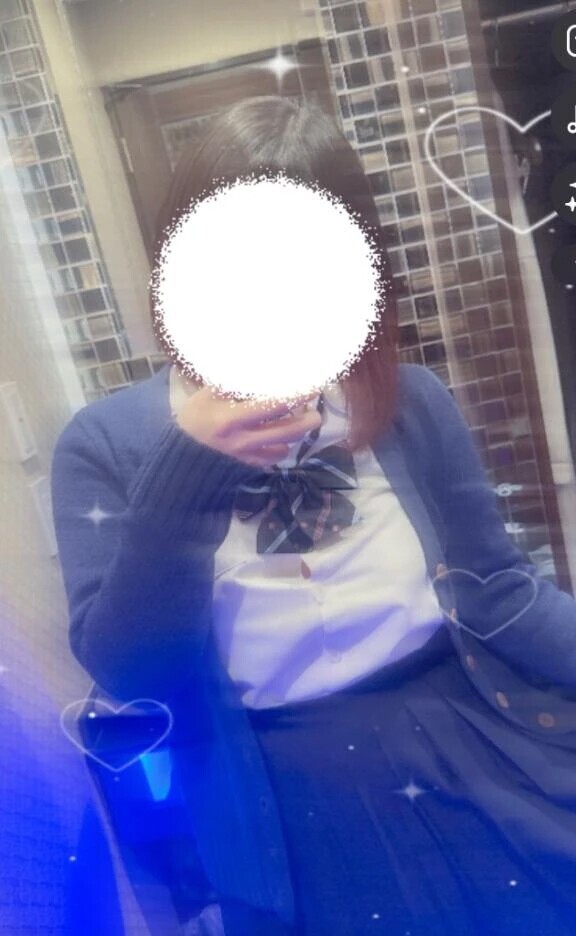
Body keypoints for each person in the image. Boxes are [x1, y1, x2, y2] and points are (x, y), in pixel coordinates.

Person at [51, 96, 576, 936]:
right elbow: (134, 674)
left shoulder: (410, 403)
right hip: (286, 805)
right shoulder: (105, 445)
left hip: (474, 744)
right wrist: (189, 468)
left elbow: (503, 594)